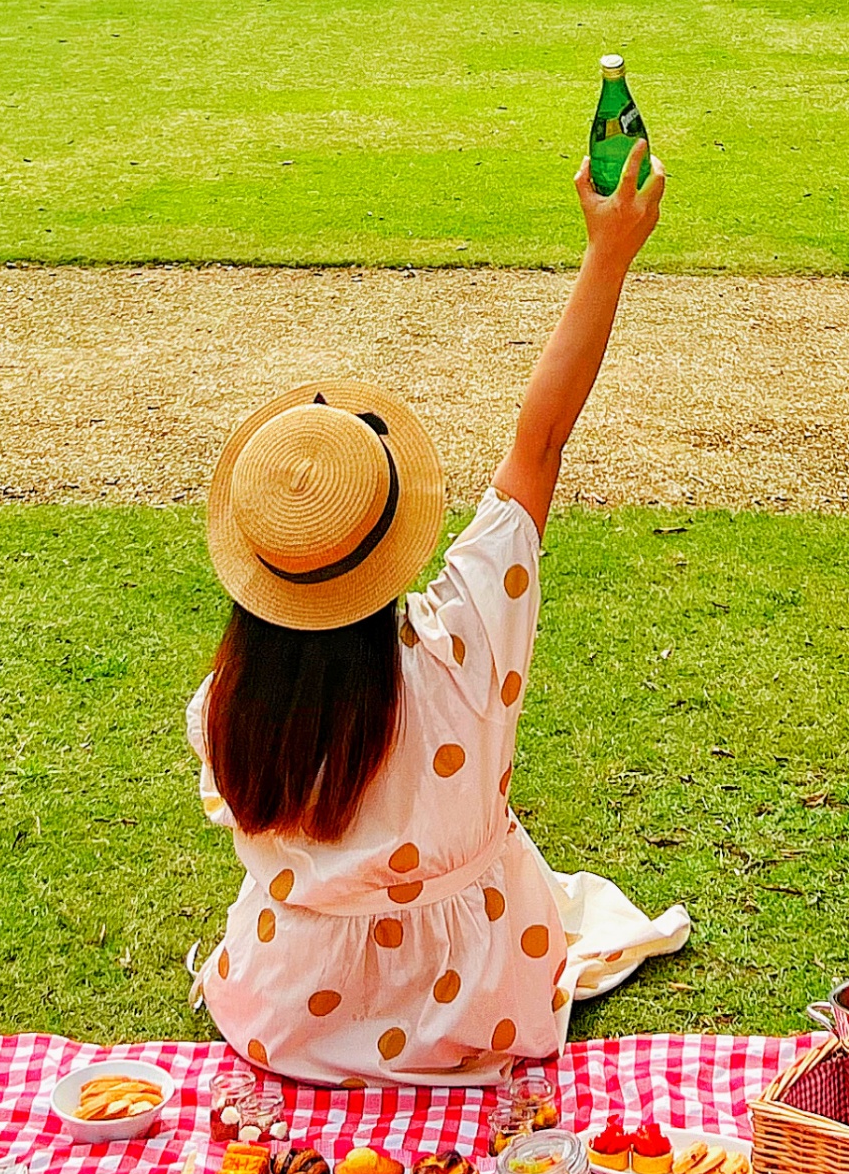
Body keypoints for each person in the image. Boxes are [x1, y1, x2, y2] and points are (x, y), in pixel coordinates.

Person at [187, 142, 666, 1081]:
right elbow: (540, 442)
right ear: (393, 536)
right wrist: (609, 253)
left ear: (259, 571)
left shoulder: (224, 711)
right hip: (475, 1014)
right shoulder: (462, 652)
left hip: (288, 1022)